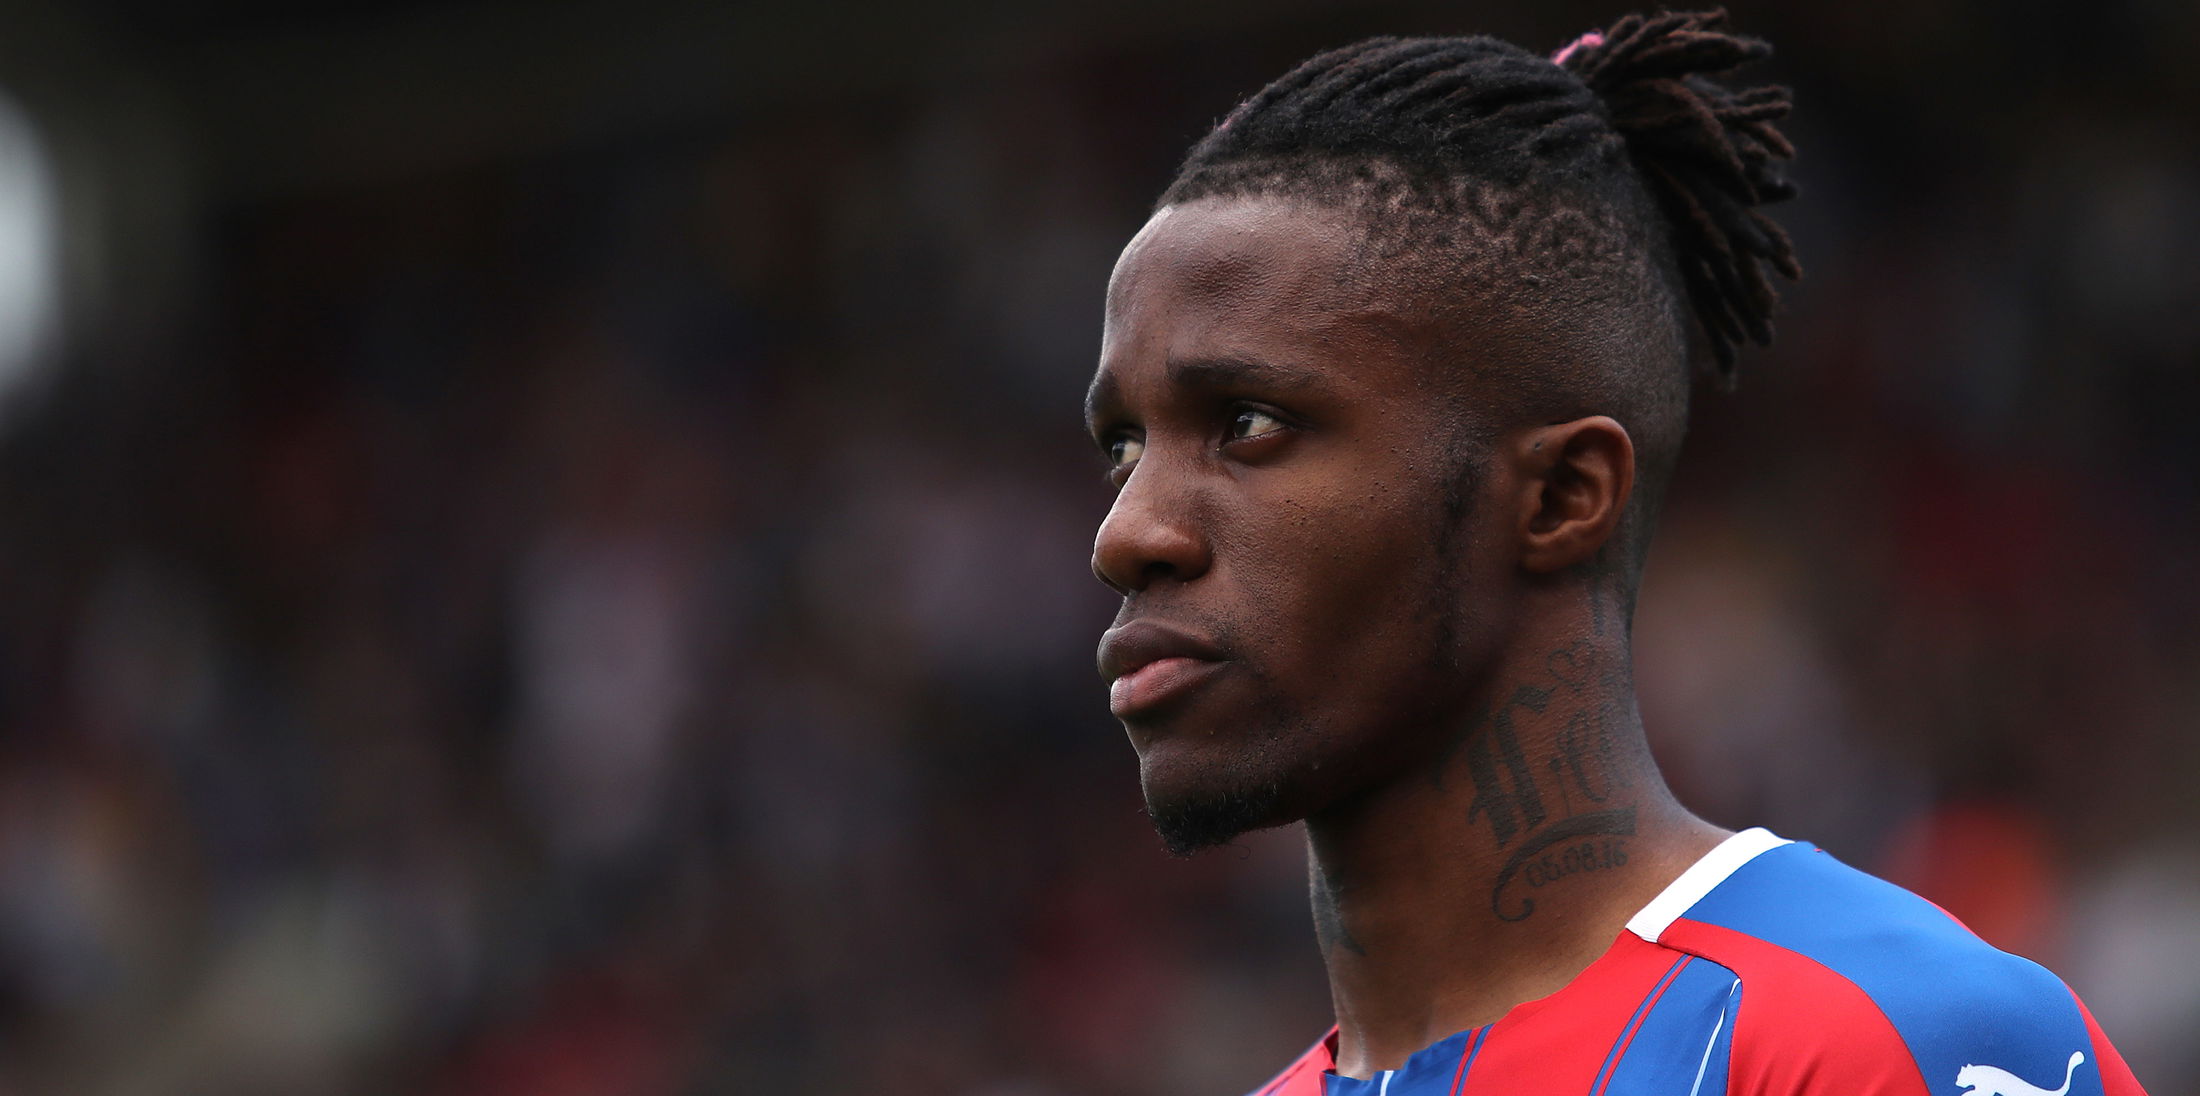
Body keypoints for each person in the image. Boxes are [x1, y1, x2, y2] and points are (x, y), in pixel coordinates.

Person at [1082, 10, 2147, 1095]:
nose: (1126, 534)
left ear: (1559, 496)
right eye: (1123, 446)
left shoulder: (1890, 1038)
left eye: (1249, 424)